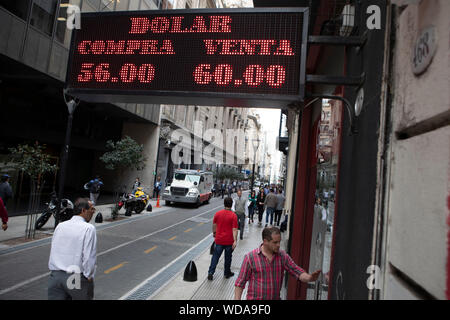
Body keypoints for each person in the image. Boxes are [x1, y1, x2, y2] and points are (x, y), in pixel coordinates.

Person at [234, 227, 321, 300]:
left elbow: (296, 271)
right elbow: (240, 283)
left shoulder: (282, 256)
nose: (278, 245)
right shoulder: (250, 258)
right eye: (275, 242)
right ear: (265, 241)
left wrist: (310, 278)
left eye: (279, 242)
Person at [48, 198, 97, 300]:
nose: (93, 212)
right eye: (92, 209)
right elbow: (89, 256)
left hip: (56, 276)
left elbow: (54, 249)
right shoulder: (88, 228)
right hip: (75, 277)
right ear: (83, 210)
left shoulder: (60, 226)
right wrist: (89, 276)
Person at [207, 197, 238, 281]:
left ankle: (210, 272)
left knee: (215, 257)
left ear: (224, 204)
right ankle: (227, 273)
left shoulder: (218, 213)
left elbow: (214, 225)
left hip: (219, 240)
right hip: (229, 241)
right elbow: (234, 229)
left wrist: (214, 233)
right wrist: (235, 240)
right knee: (228, 257)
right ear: (231, 205)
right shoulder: (233, 216)